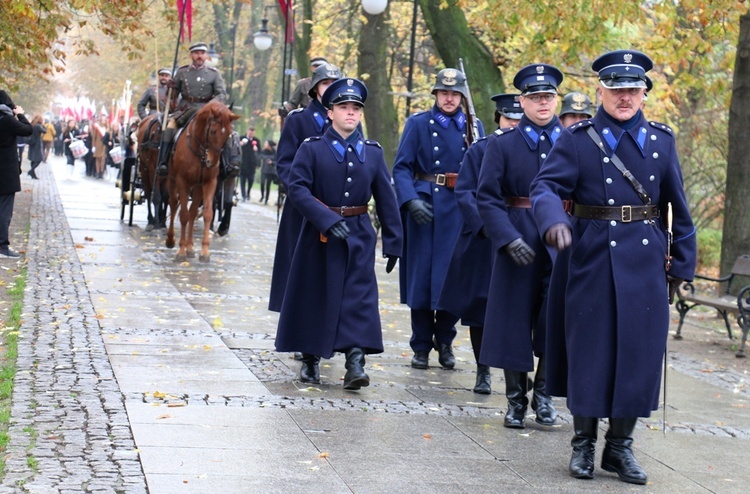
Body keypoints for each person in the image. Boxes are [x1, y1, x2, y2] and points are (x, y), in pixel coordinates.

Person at [529, 50, 697, 484]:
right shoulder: (579, 138)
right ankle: (583, 445)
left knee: (640, 354)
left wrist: (683, 261)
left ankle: (619, 449)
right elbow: (545, 186)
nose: (625, 98)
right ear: (601, 92)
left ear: (645, 94)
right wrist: (552, 222)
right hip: (590, 258)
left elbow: (678, 205)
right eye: (616, 90)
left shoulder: (662, 141)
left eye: (633, 90)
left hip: (644, 263)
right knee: (590, 351)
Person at [275, 77, 402, 390]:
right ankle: (309, 359)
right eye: (343, 107)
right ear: (329, 112)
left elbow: (386, 197)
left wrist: (395, 241)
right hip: (318, 236)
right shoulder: (312, 149)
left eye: (355, 108)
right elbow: (297, 188)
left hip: (358, 234)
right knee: (313, 295)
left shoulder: (371, 153)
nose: (350, 113)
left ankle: (356, 360)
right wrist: (324, 219)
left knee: (358, 298)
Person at [475, 64, 563, 429]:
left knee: (552, 321)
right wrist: (506, 237)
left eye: (548, 97)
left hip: (560, 239)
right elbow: (487, 197)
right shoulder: (502, 143)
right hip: (517, 235)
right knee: (513, 321)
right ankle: (515, 400)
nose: (543, 103)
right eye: (535, 97)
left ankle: (543, 394)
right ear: (522, 101)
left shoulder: (573, 141)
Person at [392, 68, 485, 370]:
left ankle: (444, 339)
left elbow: (484, 169)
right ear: (435, 94)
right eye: (443, 93)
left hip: (460, 208)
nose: (448, 98)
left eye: (454, 93)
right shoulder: (418, 124)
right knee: (421, 279)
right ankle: (420, 345)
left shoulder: (474, 126)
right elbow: (401, 168)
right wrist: (410, 199)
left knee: (454, 278)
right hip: (426, 207)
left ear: (462, 97)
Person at [438, 92, 522, 394]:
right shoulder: (481, 149)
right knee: (479, 307)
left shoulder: (535, 148)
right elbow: (465, 191)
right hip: (482, 240)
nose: (514, 123)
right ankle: (482, 370)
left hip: (521, 236)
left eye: (518, 118)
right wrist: (486, 226)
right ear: (498, 118)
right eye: (509, 118)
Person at [269, 63, 343, 316]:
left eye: (335, 84)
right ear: (315, 89)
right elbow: (285, 163)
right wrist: (303, 195)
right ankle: (299, 328)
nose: (331, 89)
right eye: (325, 83)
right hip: (303, 209)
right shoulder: (299, 120)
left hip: (337, 209)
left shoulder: (349, 120)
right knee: (298, 270)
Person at [157, 42, 227, 175]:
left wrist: (209, 106)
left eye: (202, 53)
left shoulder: (214, 74)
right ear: (191, 55)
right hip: (184, 110)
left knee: (225, 132)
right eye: (196, 53)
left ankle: (225, 165)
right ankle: (163, 162)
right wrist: (170, 88)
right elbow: (172, 97)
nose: (199, 56)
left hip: (208, 111)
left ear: (205, 55)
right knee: (169, 128)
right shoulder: (182, 72)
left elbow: (221, 94)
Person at [0, 94, 32, 258]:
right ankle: (2, 247)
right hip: (5, 172)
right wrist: (20, 114)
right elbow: (28, 129)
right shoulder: (7, 120)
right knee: (4, 210)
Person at [239, 127, 260, 201]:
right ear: (247, 131)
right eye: (250, 132)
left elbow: (259, 153)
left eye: (253, 133)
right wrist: (240, 144)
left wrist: (258, 163)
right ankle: (243, 195)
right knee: (242, 181)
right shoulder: (241, 138)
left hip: (252, 164)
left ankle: (248, 193)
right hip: (242, 163)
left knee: (251, 180)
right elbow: (236, 148)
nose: (251, 134)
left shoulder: (256, 141)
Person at [258, 139, 277, 205]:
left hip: (270, 171)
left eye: (266, 144)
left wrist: (272, 162)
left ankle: (266, 199)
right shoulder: (263, 151)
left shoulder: (275, 152)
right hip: (264, 170)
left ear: (269, 145)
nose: (264, 145)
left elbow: (277, 161)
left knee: (268, 185)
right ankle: (262, 195)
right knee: (262, 184)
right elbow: (259, 157)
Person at [26, 114, 46, 180]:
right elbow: (44, 131)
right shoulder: (38, 126)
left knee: (33, 159)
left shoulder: (32, 125)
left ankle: (33, 174)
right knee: (39, 159)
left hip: (32, 143)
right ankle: (31, 171)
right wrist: (43, 125)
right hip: (37, 143)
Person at [91, 114, 108, 179]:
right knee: (97, 158)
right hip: (98, 144)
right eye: (102, 120)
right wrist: (93, 146)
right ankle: (98, 172)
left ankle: (102, 172)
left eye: (105, 120)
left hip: (104, 145)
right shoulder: (97, 127)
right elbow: (94, 137)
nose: (104, 121)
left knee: (103, 158)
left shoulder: (107, 128)